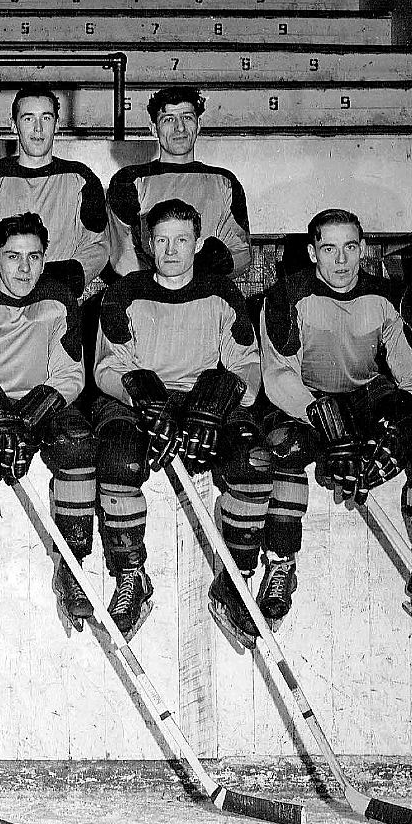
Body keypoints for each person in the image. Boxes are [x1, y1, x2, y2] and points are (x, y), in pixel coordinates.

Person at [258, 208, 412, 646]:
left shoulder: (386, 296)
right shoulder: (284, 297)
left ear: (363, 249)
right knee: (284, 447)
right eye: (329, 249)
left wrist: (397, 422)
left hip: (364, 395)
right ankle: (280, 564)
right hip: (306, 399)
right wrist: (328, 427)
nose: (341, 261)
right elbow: (278, 375)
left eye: (350, 248)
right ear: (313, 253)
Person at [94, 199, 264, 641]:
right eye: (162, 240)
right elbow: (108, 367)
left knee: (252, 459)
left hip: (201, 401)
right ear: (148, 244)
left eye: (182, 240)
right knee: (117, 457)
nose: (171, 250)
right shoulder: (124, 292)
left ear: (198, 243)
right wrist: (143, 397)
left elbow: (246, 367)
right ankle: (132, 576)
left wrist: (219, 401)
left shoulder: (223, 293)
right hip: (142, 402)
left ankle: (235, 580)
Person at [0, 213, 97, 630]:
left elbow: (70, 374)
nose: (24, 268)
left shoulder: (60, 299)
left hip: (37, 405)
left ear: (45, 260)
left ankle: (74, 565)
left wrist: (30, 417)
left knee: (77, 442)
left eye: (34, 257)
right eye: (13, 257)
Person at [0, 87, 109, 293]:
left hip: (60, 298)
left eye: (46, 118)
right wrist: (0, 286)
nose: (38, 129)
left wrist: (64, 283)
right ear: (14, 125)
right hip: (3, 301)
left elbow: (97, 245)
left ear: (56, 124)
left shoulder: (81, 178)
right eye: (28, 119)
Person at [107, 86, 251, 280]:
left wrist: (205, 269)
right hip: (149, 297)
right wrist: (165, 285)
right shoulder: (128, 181)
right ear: (153, 128)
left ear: (198, 124)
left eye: (187, 118)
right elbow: (123, 254)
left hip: (206, 295)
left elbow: (240, 251)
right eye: (168, 119)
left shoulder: (224, 182)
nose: (180, 128)